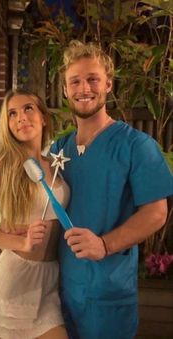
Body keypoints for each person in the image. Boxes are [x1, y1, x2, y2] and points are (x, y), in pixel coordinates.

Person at [50, 40, 173, 339]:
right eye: (75, 81)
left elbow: (157, 213)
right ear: (65, 89)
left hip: (108, 294)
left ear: (108, 84)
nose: (84, 88)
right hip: (59, 292)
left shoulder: (137, 146)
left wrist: (104, 245)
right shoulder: (58, 149)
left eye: (93, 79)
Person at [0, 89, 69, 339]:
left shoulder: (55, 165)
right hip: (12, 283)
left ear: (44, 117)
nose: (21, 117)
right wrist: (20, 241)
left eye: (28, 109)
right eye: (12, 113)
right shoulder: (3, 166)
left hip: (48, 281)